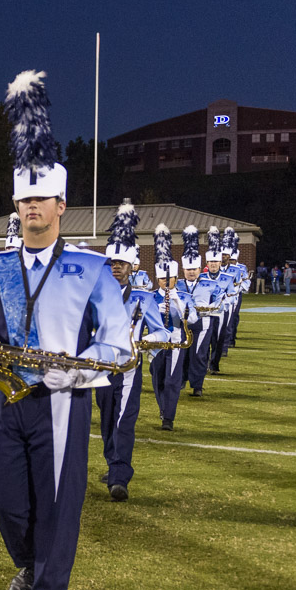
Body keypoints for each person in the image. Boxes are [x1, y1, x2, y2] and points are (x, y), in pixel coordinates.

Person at [0, 70, 133, 590]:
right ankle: (30, 565)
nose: (32, 207)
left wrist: (75, 369)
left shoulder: (92, 268)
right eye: (24, 199)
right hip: (5, 399)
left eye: (41, 198)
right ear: (17, 203)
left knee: (59, 502)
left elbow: (120, 342)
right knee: (4, 494)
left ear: (60, 203)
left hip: (62, 400)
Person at [97, 203, 168, 501]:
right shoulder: (96, 294)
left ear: (131, 266)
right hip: (100, 367)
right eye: (112, 263)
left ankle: (120, 477)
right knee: (106, 421)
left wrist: (145, 342)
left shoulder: (143, 297)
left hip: (128, 370)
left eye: (121, 264)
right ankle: (113, 463)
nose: (116, 267)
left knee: (125, 422)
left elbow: (163, 331)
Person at [149, 226, 198, 431]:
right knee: (158, 379)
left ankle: (168, 417)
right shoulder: (150, 297)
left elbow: (193, 319)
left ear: (176, 278)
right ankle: (163, 408)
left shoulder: (185, 296)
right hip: (156, 345)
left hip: (176, 342)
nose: (166, 282)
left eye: (169, 279)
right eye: (162, 279)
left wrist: (179, 303)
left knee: (172, 381)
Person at [177, 226, 223, 397]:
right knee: (181, 352)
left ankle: (197, 385)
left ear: (199, 269)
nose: (191, 272)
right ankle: (181, 379)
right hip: (182, 323)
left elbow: (220, 302)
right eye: (188, 269)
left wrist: (212, 308)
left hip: (203, 323)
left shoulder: (210, 284)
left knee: (199, 354)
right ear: (183, 270)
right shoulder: (177, 285)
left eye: (194, 269)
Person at [204, 228, 234, 375]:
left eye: (216, 261)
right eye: (211, 262)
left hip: (220, 313)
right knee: (204, 340)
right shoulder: (201, 278)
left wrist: (222, 302)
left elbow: (231, 295)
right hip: (204, 313)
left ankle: (214, 365)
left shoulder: (228, 278)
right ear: (207, 262)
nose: (214, 264)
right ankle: (202, 364)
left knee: (217, 339)